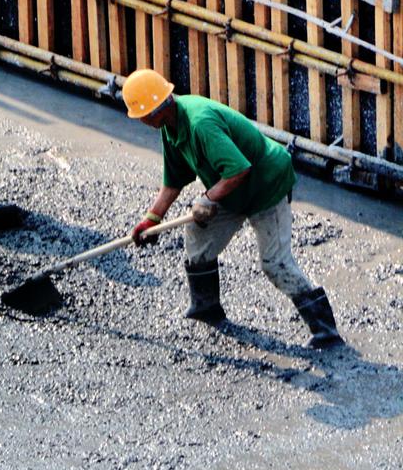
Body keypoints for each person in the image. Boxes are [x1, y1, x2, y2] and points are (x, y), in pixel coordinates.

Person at [120, 70, 343, 348]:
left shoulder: (200, 123)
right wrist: (151, 219)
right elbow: (173, 181)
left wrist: (208, 198)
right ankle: (206, 308)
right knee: (198, 238)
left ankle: (326, 331)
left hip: (265, 185)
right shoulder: (170, 127)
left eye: (141, 115)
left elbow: (239, 169)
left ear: (155, 111)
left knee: (275, 263)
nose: (140, 121)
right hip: (230, 189)